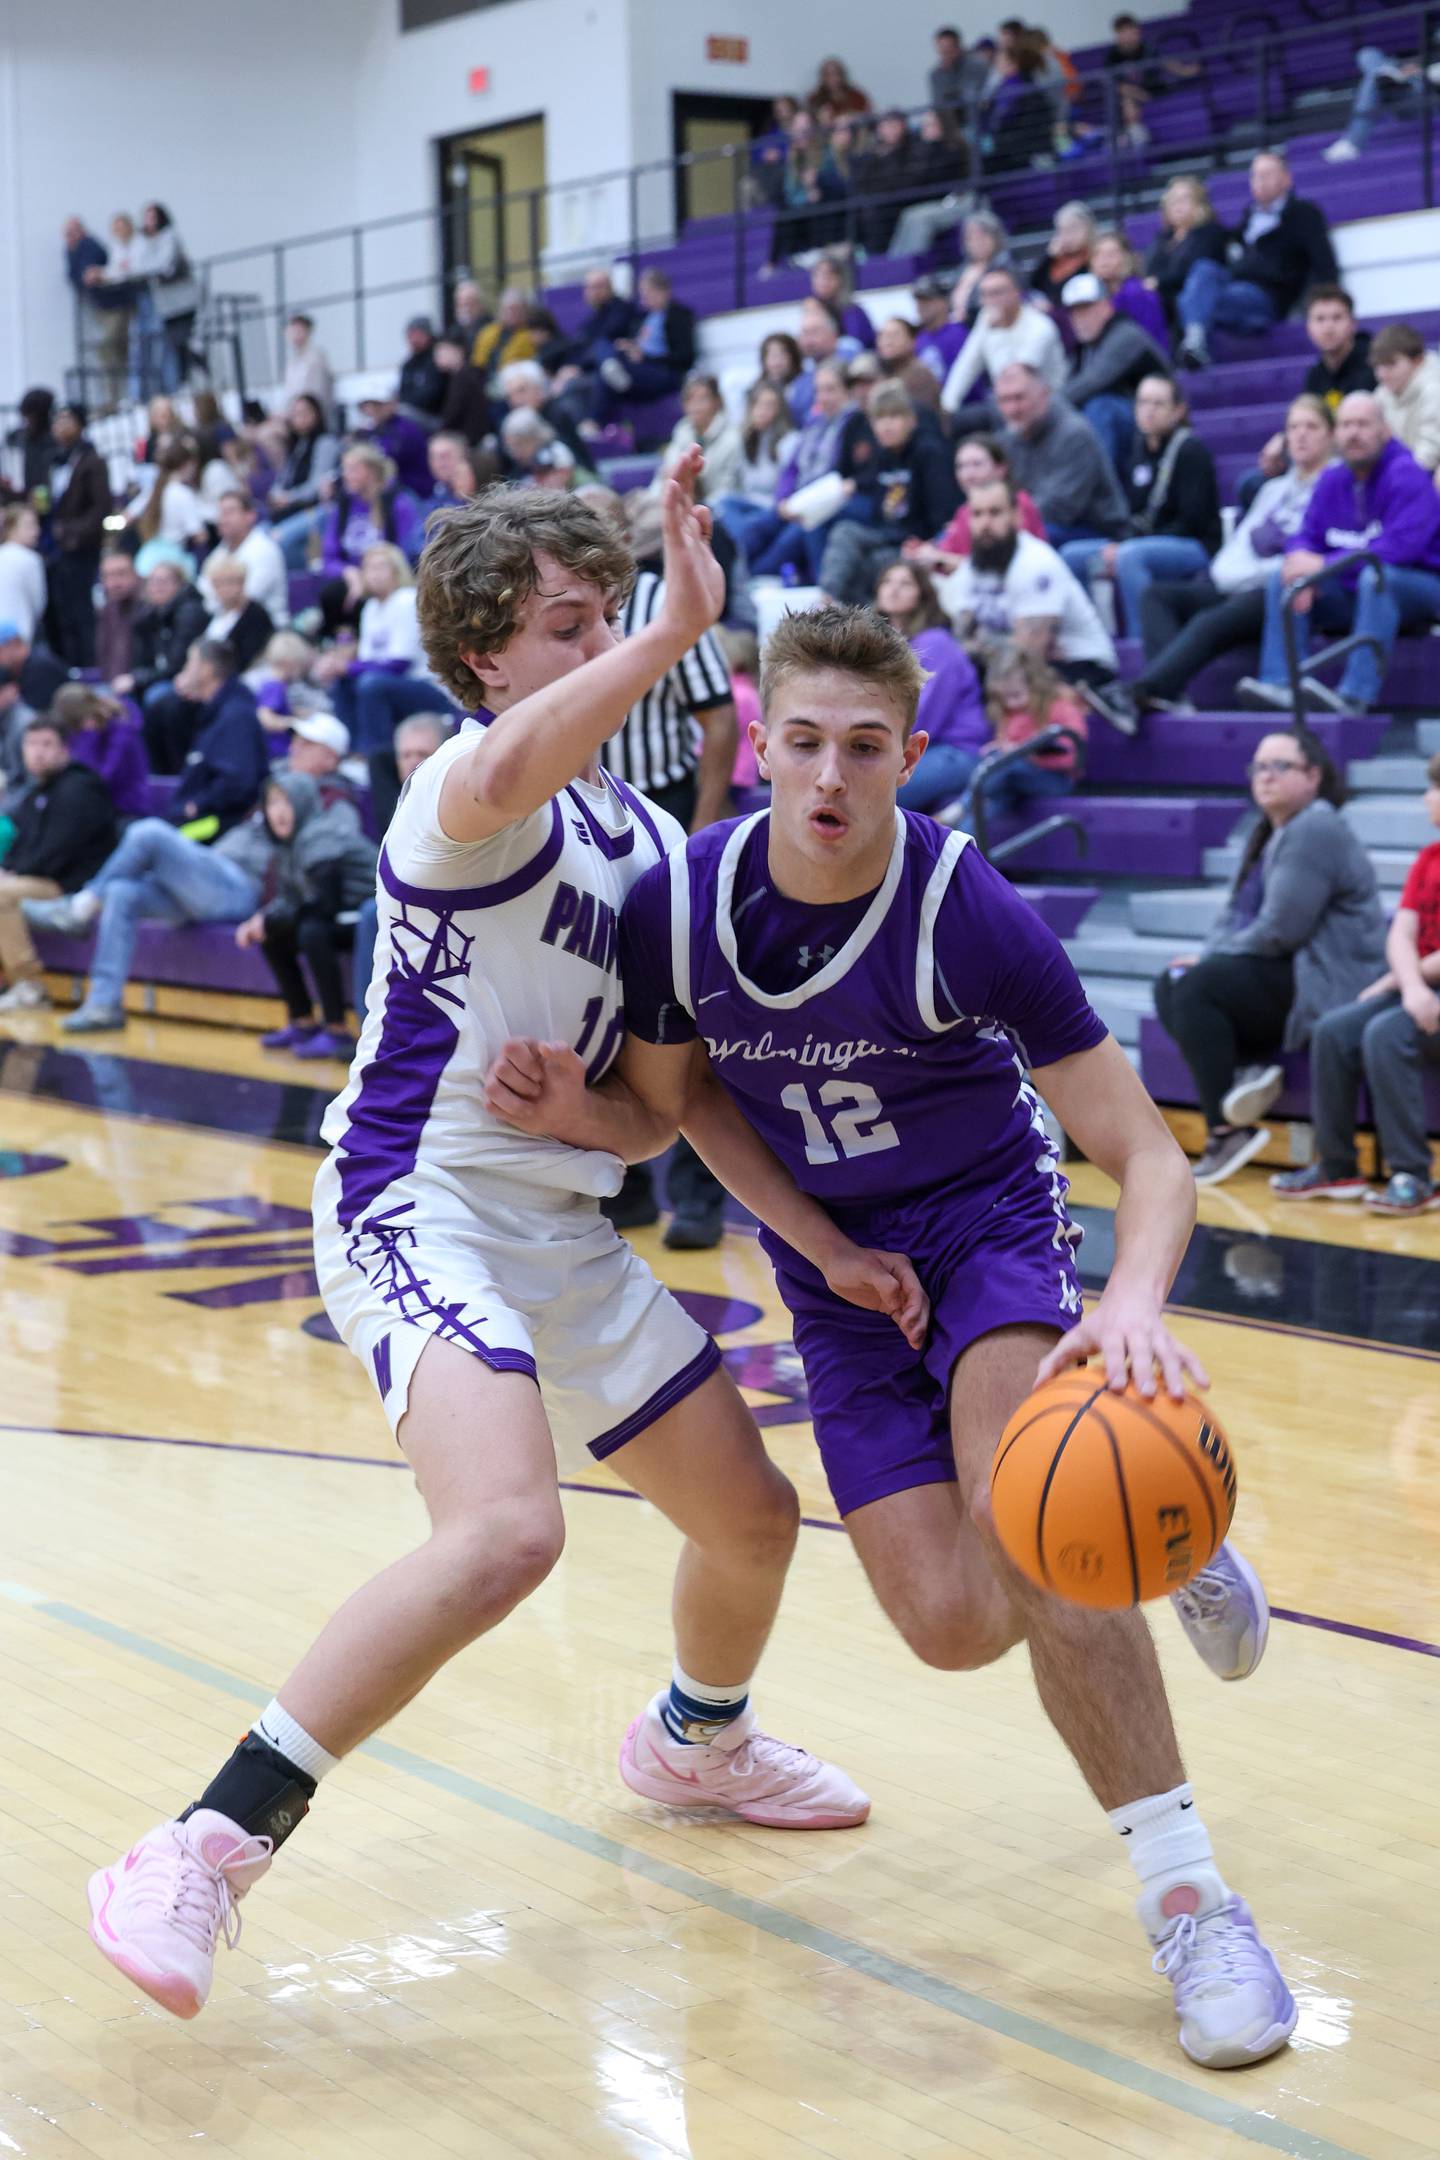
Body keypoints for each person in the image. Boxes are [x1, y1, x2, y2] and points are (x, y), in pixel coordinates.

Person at [81, 470, 906, 2024]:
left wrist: (600, 1122)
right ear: (487, 660)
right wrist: (672, 632)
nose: (598, 641)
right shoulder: (464, 787)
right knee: (509, 1534)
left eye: (609, 614)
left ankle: (696, 1741)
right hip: (418, 1198)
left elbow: (660, 1118)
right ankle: (201, 1844)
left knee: (751, 1522)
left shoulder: (644, 837)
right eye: (567, 625)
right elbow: (532, 754)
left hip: (557, 1226)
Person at [495, 602, 1288, 2072]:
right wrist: (817, 1246)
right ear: (759, 741)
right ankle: (1154, 1519)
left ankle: (1191, 1899)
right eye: (801, 744)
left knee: (1029, 1514)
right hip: (840, 1267)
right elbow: (681, 1111)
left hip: (988, 1224)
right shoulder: (686, 900)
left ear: (911, 756)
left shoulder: (965, 905)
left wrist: (1128, 1309)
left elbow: (1153, 1157)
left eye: (865, 749)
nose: (828, 779)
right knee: (954, 1623)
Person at [1153, 728, 1385, 1186]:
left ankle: (1226, 1130)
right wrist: (1206, 957)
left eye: (1280, 766)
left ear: (1313, 776)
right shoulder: (1269, 836)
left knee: (1199, 984)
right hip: (1288, 972)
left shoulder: (1315, 828)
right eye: (1259, 766)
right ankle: (1246, 1070)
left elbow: (1281, 931)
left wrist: (1211, 963)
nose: (1266, 776)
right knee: (1173, 981)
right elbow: (1233, 925)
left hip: (1331, 981)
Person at [28, 641, 272, 1033]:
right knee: (123, 893)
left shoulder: (238, 717)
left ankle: (81, 906)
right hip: (198, 876)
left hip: (235, 882)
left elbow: (238, 788)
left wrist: (195, 807)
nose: (182, 667)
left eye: (190, 660)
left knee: (147, 832)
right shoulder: (213, 716)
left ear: (209, 669)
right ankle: (104, 1004)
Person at [1089, 396, 1336, 733]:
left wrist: (1261, 573)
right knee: (1157, 596)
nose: (1301, 435)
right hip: (1244, 585)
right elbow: (1229, 560)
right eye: (1293, 427)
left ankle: (1142, 690)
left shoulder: (1335, 485)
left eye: (1312, 427)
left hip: (1287, 594)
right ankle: (1169, 693)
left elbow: (1301, 560)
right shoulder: (1273, 489)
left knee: (1211, 618)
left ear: (1330, 436)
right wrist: (1247, 574)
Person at [1273, 751, 1440, 1214]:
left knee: (1386, 1034)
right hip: (1419, 986)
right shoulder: (1428, 859)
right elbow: (1401, 932)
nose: (1428, 798)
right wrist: (1408, 984)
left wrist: (1403, 983)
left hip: (1421, 987)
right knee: (1333, 1029)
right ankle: (1337, 1165)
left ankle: (1414, 1175)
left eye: (1435, 789)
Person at [1239, 394, 1440, 718]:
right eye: (1346, 425)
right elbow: (1304, 536)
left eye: (1363, 424)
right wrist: (1302, 566)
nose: (1353, 433)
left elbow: (1400, 549)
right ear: (1336, 434)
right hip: (1355, 585)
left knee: (1375, 576)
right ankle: (1280, 684)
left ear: (1384, 431)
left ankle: (1354, 697)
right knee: (1284, 575)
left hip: (1419, 587)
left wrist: (1324, 566)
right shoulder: (1333, 479)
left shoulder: (1408, 475)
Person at [1061, 375, 1221, 635]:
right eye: (1143, 403)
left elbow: (1193, 523)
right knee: (1072, 556)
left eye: (1158, 404)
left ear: (1178, 411)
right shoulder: (1138, 450)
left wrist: (1131, 545)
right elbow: (1135, 515)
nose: (1149, 411)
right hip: (1145, 543)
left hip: (1195, 548)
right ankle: (1089, 641)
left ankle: (1142, 644)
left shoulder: (1191, 449)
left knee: (1130, 557)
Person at [237, 772, 378, 1062]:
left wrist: (272, 919)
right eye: (272, 803)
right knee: (274, 936)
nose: (278, 811)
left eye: (286, 802)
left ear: (302, 803)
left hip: (370, 912)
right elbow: (290, 899)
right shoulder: (286, 844)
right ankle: (302, 1021)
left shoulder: (319, 835)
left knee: (312, 931)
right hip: (339, 912)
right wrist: (262, 919)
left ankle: (337, 1029)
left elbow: (324, 904)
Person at [939, 476, 1119, 694]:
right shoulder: (972, 566)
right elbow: (956, 640)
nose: (985, 524)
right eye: (977, 514)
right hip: (1016, 666)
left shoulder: (1036, 562)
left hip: (1082, 669)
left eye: (995, 513)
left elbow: (1029, 654)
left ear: (1016, 516)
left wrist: (980, 646)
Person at [1177, 152, 1338, 371]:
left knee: (1189, 302)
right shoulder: (1247, 218)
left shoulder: (1303, 213)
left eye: (1267, 174)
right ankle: (1195, 341)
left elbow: (1324, 263)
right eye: (1255, 175)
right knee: (1203, 270)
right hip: (1233, 291)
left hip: (1266, 298)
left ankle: (1195, 342)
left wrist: (1319, 304)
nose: (1260, 181)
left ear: (1286, 179)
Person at [0, 717, 118, 1012]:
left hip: (77, 886)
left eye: (46, 744)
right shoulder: (37, 791)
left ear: (65, 749)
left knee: (1, 894)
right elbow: (23, 844)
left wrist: (15, 873)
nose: (38, 752)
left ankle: (29, 986)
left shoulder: (79, 787)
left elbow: (59, 851)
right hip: (45, 879)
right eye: (31, 744)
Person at [818, 386, 959, 606]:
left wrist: (928, 546)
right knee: (844, 532)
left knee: (871, 564)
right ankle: (826, 599)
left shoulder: (930, 453)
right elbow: (878, 510)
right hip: (886, 534)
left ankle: (863, 622)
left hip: (917, 541)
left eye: (894, 417)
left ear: (911, 421)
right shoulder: (881, 456)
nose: (886, 426)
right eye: (880, 419)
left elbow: (944, 517)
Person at [872, 559, 988, 811]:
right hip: (918, 748)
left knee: (872, 791)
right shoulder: (885, 646)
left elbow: (924, 717)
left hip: (955, 751)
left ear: (922, 595)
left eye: (905, 583)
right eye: (887, 582)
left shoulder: (935, 643)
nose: (894, 589)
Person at [747, 360, 877, 585]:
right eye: (819, 390)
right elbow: (792, 468)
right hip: (797, 499)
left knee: (786, 543)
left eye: (831, 389)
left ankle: (751, 580)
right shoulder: (813, 423)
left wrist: (803, 502)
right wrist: (783, 499)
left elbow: (847, 475)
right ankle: (736, 575)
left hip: (822, 501)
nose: (823, 397)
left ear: (846, 390)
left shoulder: (855, 422)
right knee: (752, 524)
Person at [316, 543, 454, 754]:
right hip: (388, 683)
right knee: (344, 683)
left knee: (371, 684)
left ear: (396, 571)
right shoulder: (370, 607)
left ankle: (376, 754)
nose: (374, 574)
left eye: (381, 567)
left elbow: (399, 664)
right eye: (369, 568)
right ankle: (352, 753)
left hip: (425, 685)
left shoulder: (406, 600)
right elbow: (367, 661)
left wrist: (347, 667)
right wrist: (339, 666)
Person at [1250, 287, 1376, 497]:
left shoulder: (1373, 366)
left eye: (1336, 318)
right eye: (1320, 319)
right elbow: (1307, 416)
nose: (1328, 327)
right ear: (1308, 327)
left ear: (1353, 324)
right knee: (1253, 483)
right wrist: (1283, 441)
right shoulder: (1315, 375)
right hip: (1323, 460)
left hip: (1359, 461)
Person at [993, 365, 1129, 550]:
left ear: (1044, 395)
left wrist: (1002, 521)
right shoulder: (1006, 439)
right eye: (1004, 400)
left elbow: (1059, 508)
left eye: (1019, 398)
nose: (1012, 409)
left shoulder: (1074, 434)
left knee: (1019, 541)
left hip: (1093, 530)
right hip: (1030, 522)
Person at [964, 639, 1088, 824]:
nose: (1010, 703)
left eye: (1016, 695)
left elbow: (1072, 756)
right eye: (1004, 698)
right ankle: (957, 845)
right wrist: (1000, 748)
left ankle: (959, 807)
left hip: (1055, 779)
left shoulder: (1060, 706)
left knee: (1003, 766)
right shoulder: (1008, 713)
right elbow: (1007, 744)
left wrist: (1024, 752)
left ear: (1035, 685)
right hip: (1014, 780)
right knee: (991, 801)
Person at [1060, 272, 1169, 472]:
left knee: (1100, 407)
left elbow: (1090, 384)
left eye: (1086, 309)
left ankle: (1098, 489)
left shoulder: (1125, 335)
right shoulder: (1084, 348)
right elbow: (1068, 388)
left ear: (1106, 306)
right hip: (1130, 424)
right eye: (1075, 312)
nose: (1080, 318)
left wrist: (1041, 407)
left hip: (1154, 423)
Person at [316, 447, 427, 634]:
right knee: (330, 595)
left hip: (391, 575)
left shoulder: (399, 502)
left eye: (353, 469)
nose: (346, 475)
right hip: (355, 579)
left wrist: (370, 575)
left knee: (365, 598)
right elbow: (329, 558)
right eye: (344, 469)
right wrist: (351, 573)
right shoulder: (343, 506)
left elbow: (407, 553)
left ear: (371, 471)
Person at [907, 433, 1047, 579]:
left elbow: (1004, 567)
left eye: (977, 464)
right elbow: (946, 553)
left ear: (1001, 468)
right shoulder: (964, 511)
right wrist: (922, 553)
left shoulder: (1018, 503)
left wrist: (941, 559)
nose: (968, 474)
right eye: (961, 466)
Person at [940, 266, 1066, 424]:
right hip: (1007, 403)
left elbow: (1013, 378)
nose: (990, 301)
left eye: (997, 293)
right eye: (985, 295)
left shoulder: (1040, 327)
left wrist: (998, 331)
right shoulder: (985, 318)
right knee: (950, 423)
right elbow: (967, 364)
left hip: (1046, 406)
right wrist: (947, 408)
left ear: (1017, 293)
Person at [45, 404, 112, 667]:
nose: (60, 427)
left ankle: (89, 666)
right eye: (57, 421)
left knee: (83, 612)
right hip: (58, 549)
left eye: (66, 420)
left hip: (82, 549)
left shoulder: (92, 461)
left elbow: (101, 508)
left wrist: (71, 532)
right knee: (64, 613)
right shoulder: (55, 460)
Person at [121, 561, 211, 744]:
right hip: (160, 676)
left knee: (155, 697)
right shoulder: (148, 614)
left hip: (184, 680)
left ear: (179, 584)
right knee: (120, 697)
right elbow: (140, 660)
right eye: (152, 582)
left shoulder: (189, 612)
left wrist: (138, 679)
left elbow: (175, 665)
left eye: (163, 582)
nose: (156, 587)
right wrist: (135, 678)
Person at [712, 382, 795, 559]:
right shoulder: (746, 439)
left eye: (768, 405)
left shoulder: (790, 441)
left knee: (746, 526)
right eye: (757, 404)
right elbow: (736, 486)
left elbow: (784, 492)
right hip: (747, 507)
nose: (761, 410)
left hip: (773, 510)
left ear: (780, 410)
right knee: (723, 503)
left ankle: (735, 555)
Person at [51, 681, 151, 824]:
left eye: (80, 723)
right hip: (95, 804)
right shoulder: (84, 730)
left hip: (126, 809)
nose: (82, 728)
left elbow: (105, 776)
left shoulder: (123, 729)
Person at [1324, 38, 1440, 162]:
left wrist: (1419, 72)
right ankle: (1386, 73)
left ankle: (1354, 141)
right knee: (1367, 54)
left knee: (1374, 79)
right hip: (1405, 83)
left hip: (1425, 98)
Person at [268, 396, 342, 570]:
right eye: (295, 414)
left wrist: (289, 497)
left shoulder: (326, 442)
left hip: (316, 508)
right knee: (259, 536)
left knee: (278, 539)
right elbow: (282, 478)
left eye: (304, 412)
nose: (299, 418)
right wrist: (275, 494)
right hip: (289, 509)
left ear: (316, 414)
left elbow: (317, 485)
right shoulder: (295, 444)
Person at [1146, 177, 1227, 336]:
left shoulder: (1210, 232)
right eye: (1173, 200)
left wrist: (1160, 281)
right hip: (1167, 300)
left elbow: (1195, 269)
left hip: (1199, 298)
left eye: (1184, 199)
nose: (1178, 205)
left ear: (1199, 204)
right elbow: (1151, 271)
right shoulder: (1163, 239)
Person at [885, 108, 970, 259]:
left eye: (930, 124)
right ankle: (894, 262)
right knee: (908, 214)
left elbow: (938, 180)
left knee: (920, 218)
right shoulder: (924, 150)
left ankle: (913, 263)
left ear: (943, 125)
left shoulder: (954, 149)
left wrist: (931, 147)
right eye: (924, 125)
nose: (925, 129)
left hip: (960, 202)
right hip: (938, 203)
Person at [200, 491, 290, 628]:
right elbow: (202, 590)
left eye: (229, 512)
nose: (223, 519)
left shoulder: (264, 550)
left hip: (265, 629)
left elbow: (245, 598)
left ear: (250, 516)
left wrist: (214, 601)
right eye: (220, 513)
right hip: (224, 624)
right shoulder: (219, 551)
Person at [0, 624, 69, 793]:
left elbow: (39, 724)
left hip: (56, 747)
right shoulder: (14, 671)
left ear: (13, 644)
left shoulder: (40, 666)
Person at [655, 374, 743, 501]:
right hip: (676, 501)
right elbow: (666, 474)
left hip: (714, 510)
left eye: (702, 399)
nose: (695, 406)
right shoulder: (682, 430)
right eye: (690, 399)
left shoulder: (732, 438)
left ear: (717, 401)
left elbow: (728, 491)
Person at [1371, 324, 1440, 474]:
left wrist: (1398, 478)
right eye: (1378, 365)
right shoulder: (1381, 393)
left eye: (1391, 364)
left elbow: (1430, 452)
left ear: (1417, 361)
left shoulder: (1434, 389)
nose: (1382, 374)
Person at [130, 440, 210, 567]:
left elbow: (128, 516)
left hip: (147, 558)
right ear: (187, 464)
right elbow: (199, 535)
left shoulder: (153, 490)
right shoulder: (182, 494)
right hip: (173, 561)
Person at [1090, 229, 1169, 351]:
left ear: (1126, 258)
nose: (1104, 260)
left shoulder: (1137, 294)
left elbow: (1151, 343)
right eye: (1098, 254)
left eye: (1111, 254)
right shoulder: (1093, 297)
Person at [354, 391, 435, 502]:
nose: (372, 409)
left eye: (378, 405)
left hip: (414, 494)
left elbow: (386, 462)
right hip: (389, 493)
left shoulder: (405, 429)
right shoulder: (371, 430)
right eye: (368, 405)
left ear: (392, 404)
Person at [205, 555, 274, 676]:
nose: (224, 589)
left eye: (230, 582)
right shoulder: (213, 614)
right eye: (218, 584)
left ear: (242, 582)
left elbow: (246, 659)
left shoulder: (255, 615)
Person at [945, 212, 1011, 327]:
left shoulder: (1003, 265)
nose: (977, 242)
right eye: (970, 237)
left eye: (982, 236)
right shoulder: (962, 268)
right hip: (958, 325)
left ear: (996, 237)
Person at [1030, 200, 1097, 312]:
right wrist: (1049, 257)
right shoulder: (1055, 259)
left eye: (1073, 228)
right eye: (1062, 230)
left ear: (1088, 228)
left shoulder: (1095, 256)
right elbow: (1034, 285)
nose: (1067, 236)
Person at [92, 548, 143, 686]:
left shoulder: (151, 607)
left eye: (121, 574)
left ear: (135, 574)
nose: (114, 583)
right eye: (107, 576)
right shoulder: (108, 609)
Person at [873, 317, 944, 412]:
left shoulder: (920, 375)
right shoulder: (879, 372)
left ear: (912, 341)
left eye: (895, 335)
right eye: (883, 335)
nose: (888, 341)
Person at [0, 505, 47, 644]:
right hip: (20, 638)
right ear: (11, 528)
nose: (37, 531)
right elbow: (38, 604)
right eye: (29, 525)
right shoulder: (31, 559)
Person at [809, 255, 874, 349]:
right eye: (817, 275)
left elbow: (854, 345)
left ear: (840, 279)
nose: (822, 281)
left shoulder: (852, 311)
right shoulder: (811, 311)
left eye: (828, 275)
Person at [911, 274, 966, 384]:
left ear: (943, 302)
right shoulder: (920, 338)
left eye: (927, 300)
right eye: (918, 301)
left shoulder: (958, 335)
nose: (920, 306)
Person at [280, 315, 334, 421]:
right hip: (293, 413)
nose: (294, 335)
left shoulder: (316, 357)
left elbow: (315, 395)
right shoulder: (291, 361)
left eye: (298, 331)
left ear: (307, 332)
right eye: (292, 331)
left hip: (307, 416)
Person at [930, 23, 991, 115]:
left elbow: (977, 95)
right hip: (951, 124)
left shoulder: (976, 65)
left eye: (949, 48)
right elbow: (939, 104)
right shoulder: (936, 75)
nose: (945, 53)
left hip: (977, 118)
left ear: (958, 46)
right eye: (942, 49)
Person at [397, 316, 446, 420]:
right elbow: (402, 393)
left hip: (435, 416)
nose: (413, 340)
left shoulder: (438, 360)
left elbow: (434, 394)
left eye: (417, 335)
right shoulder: (408, 365)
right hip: (412, 411)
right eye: (410, 335)